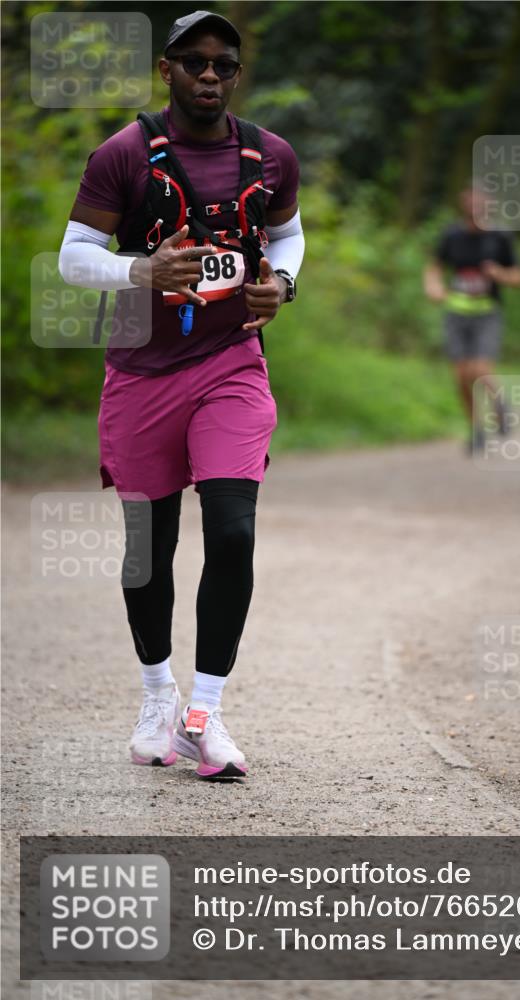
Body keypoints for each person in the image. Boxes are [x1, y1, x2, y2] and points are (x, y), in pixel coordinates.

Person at [59, 10, 304, 779]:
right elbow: (72, 257)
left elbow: (289, 235)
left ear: (236, 74)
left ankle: (204, 713)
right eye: (194, 62)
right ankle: (157, 693)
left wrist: (283, 283)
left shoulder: (270, 155)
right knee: (148, 549)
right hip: (140, 375)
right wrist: (141, 271)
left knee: (232, 532)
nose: (209, 75)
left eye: (223, 64)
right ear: (166, 68)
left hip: (232, 365)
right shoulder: (123, 156)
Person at [423, 186, 520, 452]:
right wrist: (433, 286)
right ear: (464, 207)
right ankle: (476, 429)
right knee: (460, 376)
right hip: (456, 313)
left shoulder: (501, 237)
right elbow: (434, 266)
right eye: (471, 206)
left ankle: (500, 405)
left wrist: (499, 274)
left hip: (487, 313)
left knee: (480, 369)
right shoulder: (452, 235)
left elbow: (519, 276)